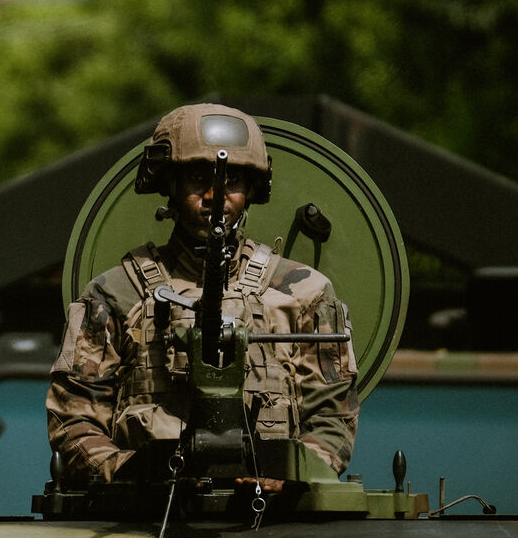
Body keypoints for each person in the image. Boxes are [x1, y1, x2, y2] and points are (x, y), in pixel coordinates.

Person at [46, 103, 358, 489]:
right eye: (197, 178)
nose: (215, 195)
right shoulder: (115, 294)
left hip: (272, 515)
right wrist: (133, 474)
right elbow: (74, 419)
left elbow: (333, 418)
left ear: (252, 190)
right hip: (146, 513)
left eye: (233, 180)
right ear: (170, 184)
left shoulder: (304, 293)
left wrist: (292, 477)